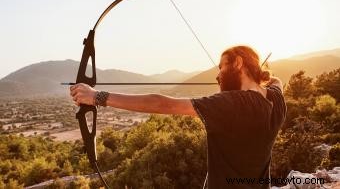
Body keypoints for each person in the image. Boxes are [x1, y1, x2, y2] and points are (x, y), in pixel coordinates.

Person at [70, 45, 286, 189]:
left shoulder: (234, 104)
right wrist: (260, 77)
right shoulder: (276, 101)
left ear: (238, 63)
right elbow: (278, 83)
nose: (218, 75)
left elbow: (162, 103)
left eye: (222, 67)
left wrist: (96, 96)